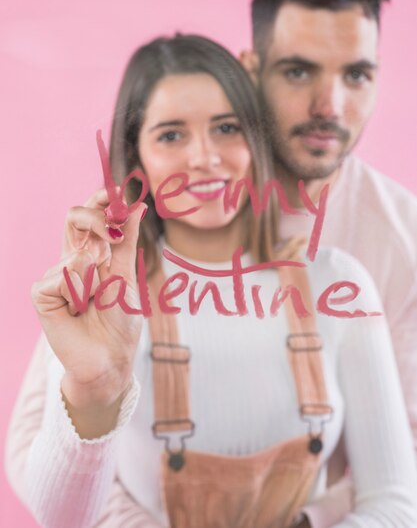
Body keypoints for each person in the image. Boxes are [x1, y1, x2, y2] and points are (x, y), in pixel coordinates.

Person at [5, 34, 417, 528]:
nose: (204, 157)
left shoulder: (340, 285)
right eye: (171, 135)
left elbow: (396, 502)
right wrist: (94, 389)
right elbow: (64, 520)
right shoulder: (104, 302)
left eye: (226, 127)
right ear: (138, 163)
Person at [240, 0, 417, 527]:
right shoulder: (171, 212)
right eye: (299, 71)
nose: (330, 105)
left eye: (357, 75)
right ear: (251, 70)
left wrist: (308, 522)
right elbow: (43, 433)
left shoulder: (404, 239)